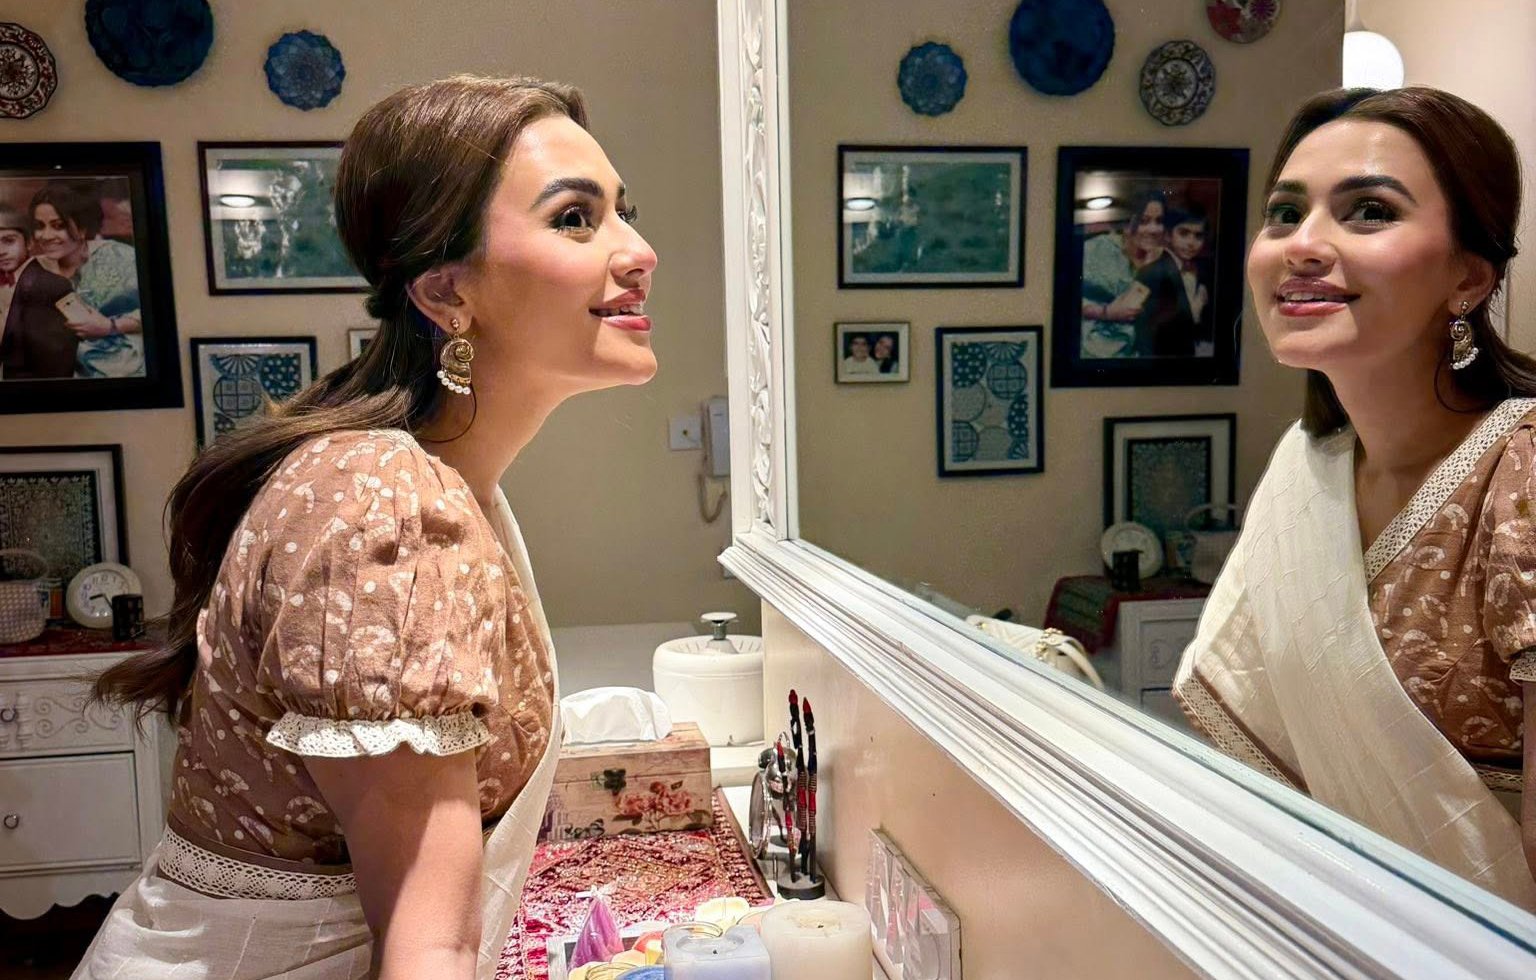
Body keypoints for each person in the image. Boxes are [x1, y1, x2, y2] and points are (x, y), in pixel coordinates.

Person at [75, 74, 659, 978]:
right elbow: (429, 947)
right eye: (576, 219)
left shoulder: (432, 483)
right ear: (446, 292)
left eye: (625, 212)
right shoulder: (386, 505)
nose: (639, 251)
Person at [1173, 87, 1536, 911]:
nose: (1303, 245)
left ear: (1468, 277)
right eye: (1283, 213)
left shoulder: (1520, 471)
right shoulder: (1309, 468)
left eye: (1369, 211)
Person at [30, 180, 145, 378]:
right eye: (39, 226)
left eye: (58, 226)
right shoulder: (32, 269)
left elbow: (161, 312)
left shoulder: (121, 258)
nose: (46, 236)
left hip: (124, 371)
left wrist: (110, 327)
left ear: (83, 228)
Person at [1080, 190, 1166, 358]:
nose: (1154, 229)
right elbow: (1065, 299)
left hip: (1139, 356)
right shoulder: (1095, 249)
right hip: (1095, 352)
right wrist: (1105, 313)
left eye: (1159, 221)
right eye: (1143, 221)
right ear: (1126, 223)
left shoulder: (1163, 260)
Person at [0, 204, 75, 379]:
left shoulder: (51, 286)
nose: (1, 251)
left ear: (29, 243)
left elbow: (55, 365)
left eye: (9, 241)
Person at [1131, 204, 1212, 357]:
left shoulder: (1201, 270)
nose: (1191, 242)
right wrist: (1194, 311)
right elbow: (1142, 328)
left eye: (1198, 236)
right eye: (1184, 233)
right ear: (1168, 235)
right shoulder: (1153, 272)